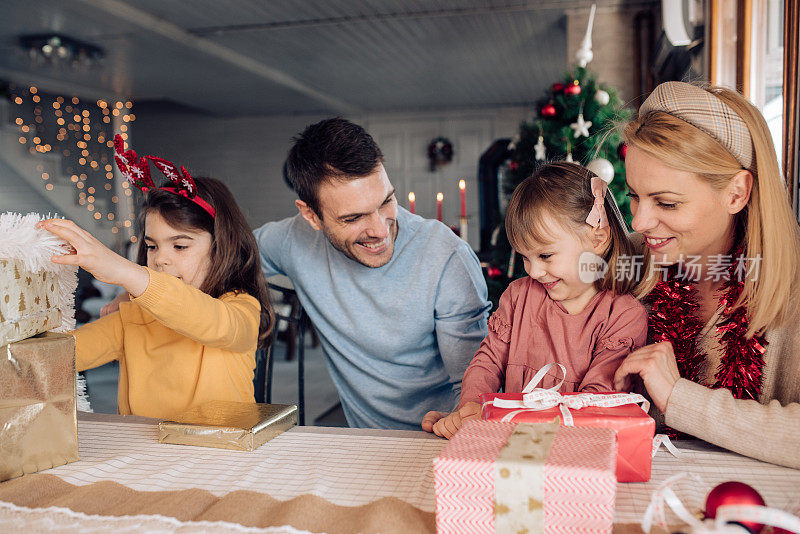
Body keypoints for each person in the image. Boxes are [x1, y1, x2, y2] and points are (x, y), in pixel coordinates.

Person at [254, 117, 491, 430]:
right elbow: (227, 256)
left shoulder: (444, 255)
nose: (380, 230)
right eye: (353, 218)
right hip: (363, 445)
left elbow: (475, 389)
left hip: (446, 439)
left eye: (386, 201)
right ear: (311, 215)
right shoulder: (293, 240)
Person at [613, 81, 800, 469]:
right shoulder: (628, 262)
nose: (640, 221)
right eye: (634, 194)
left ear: (736, 193)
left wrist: (679, 398)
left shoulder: (792, 284)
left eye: (666, 202)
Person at [41, 136, 273, 419]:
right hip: (145, 456)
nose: (160, 259)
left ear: (221, 247)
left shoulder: (241, 308)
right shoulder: (135, 316)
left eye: (180, 246)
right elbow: (60, 355)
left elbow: (206, 318)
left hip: (218, 456)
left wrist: (129, 275)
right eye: (152, 246)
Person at [423, 162, 648, 438]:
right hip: (512, 447)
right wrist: (470, 407)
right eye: (524, 257)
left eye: (545, 256)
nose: (534, 271)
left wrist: (516, 420)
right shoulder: (519, 296)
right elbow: (487, 362)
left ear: (598, 238)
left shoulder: (624, 315)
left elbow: (597, 400)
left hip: (576, 451)